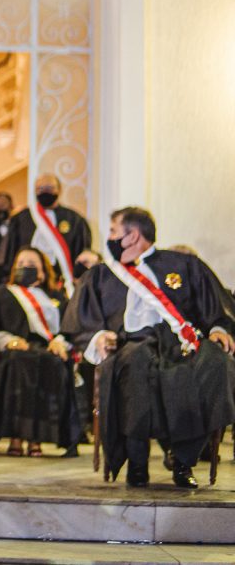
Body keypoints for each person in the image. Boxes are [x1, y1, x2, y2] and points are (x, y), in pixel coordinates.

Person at [62, 206, 235, 488]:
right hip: (130, 342)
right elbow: (80, 322)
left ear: (132, 236)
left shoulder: (184, 265)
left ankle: (183, 461)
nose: (110, 238)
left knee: (216, 364)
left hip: (179, 343)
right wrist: (98, 337)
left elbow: (215, 307)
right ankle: (137, 463)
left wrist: (219, 329)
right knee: (136, 367)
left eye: (114, 231)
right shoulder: (102, 275)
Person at [0, 247, 80, 457]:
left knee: (52, 364)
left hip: (47, 349)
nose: (26, 268)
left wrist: (60, 342)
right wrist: (8, 340)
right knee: (20, 364)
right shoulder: (1, 293)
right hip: (14, 350)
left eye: (31, 265)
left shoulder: (57, 297)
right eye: (21, 265)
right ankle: (16, 436)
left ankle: (37, 437)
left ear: (42, 270)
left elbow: (70, 328)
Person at [0, 174, 97, 297]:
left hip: (62, 287)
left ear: (59, 190)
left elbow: (82, 254)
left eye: (50, 188)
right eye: (40, 188)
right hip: (27, 289)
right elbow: (9, 255)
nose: (45, 191)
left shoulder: (75, 220)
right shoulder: (20, 219)